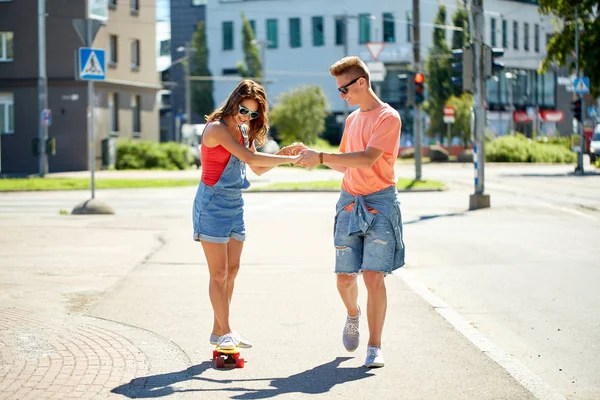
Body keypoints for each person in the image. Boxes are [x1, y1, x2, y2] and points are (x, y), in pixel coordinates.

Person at [299, 57, 405, 368]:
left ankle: (375, 346)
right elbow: (346, 162)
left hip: (381, 202)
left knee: (373, 277)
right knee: (346, 278)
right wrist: (308, 155)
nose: (341, 96)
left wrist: (320, 156)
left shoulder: (389, 117)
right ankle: (353, 314)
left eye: (344, 89)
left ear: (361, 82)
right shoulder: (351, 119)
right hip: (349, 200)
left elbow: (369, 158)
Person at [193, 79, 304, 350]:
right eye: (244, 110)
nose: (247, 117)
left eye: (253, 114)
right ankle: (227, 331)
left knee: (232, 270)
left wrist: (282, 153)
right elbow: (251, 159)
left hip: (234, 204)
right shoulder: (217, 129)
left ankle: (218, 331)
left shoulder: (242, 131)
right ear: (234, 102)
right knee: (218, 274)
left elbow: (257, 169)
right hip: (212, 204)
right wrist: (291, 160)